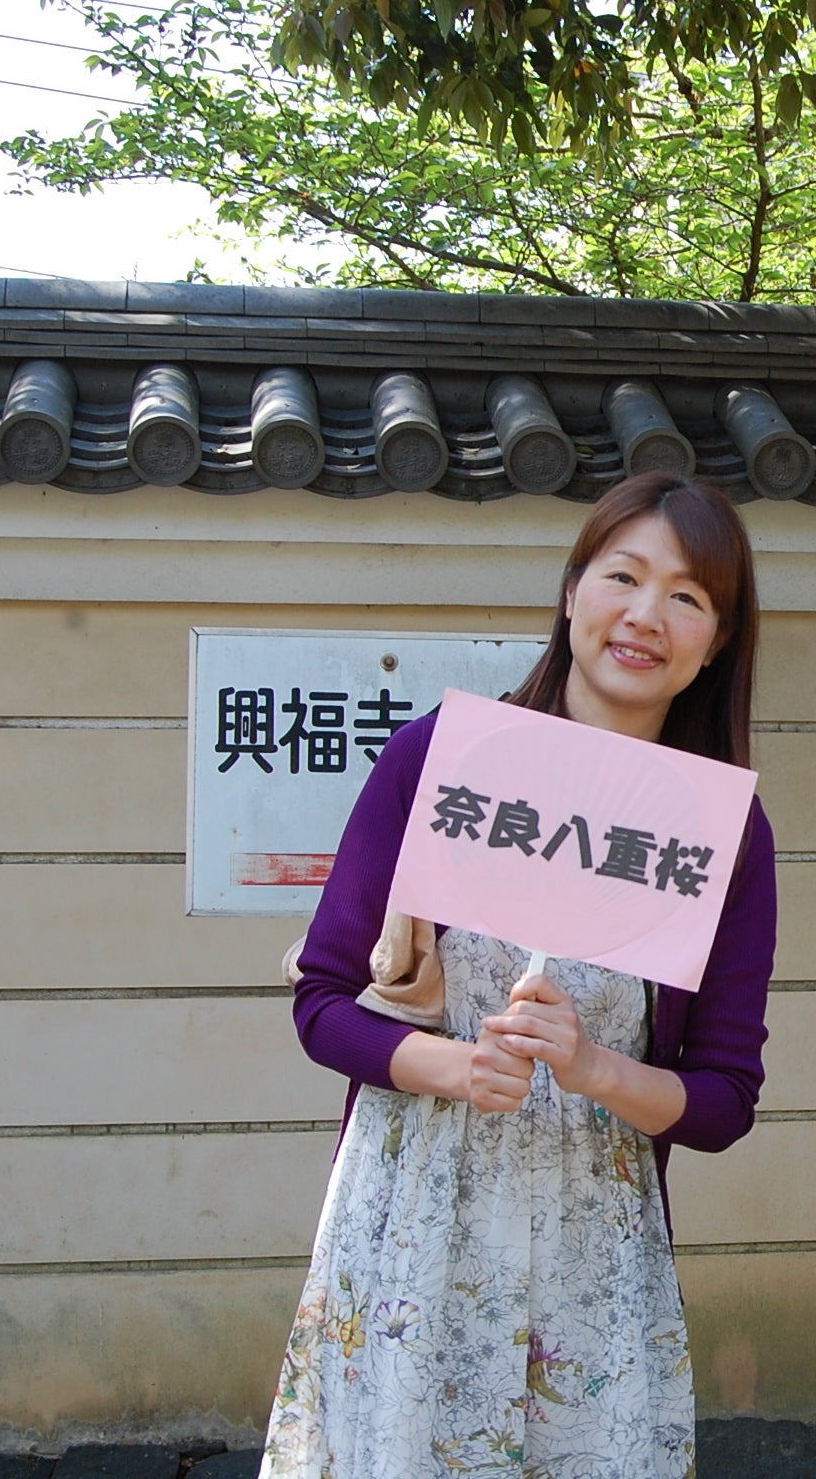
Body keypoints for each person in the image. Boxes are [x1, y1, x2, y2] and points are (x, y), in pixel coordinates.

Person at [262, 472, 779, 1479]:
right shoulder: (440, 761)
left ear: (717, 640)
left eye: (686, 596)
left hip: (596, 1250)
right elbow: (322, 1002)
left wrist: (596, 1068)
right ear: (572, 589)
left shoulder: (721, 833)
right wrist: (452, 1067)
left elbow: (724, 1099)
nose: (645, 614)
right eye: (623, 576)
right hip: (411, 1227)